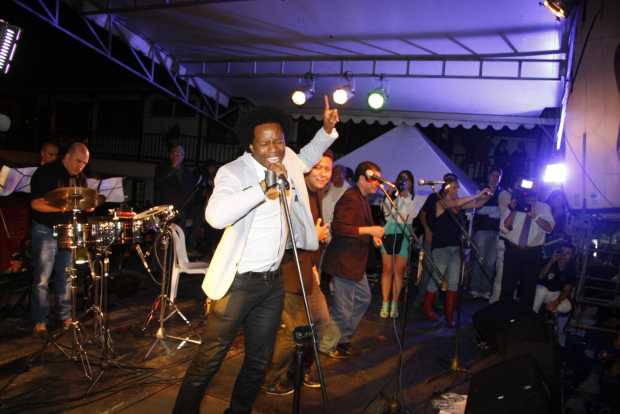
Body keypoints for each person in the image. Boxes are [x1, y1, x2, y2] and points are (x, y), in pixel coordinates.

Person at [172, 97, 339, 414]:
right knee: (210, 359)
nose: (274, 149)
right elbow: (215, 216)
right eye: (265, 143)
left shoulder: (288, 160)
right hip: (237, 283)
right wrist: (262, 188)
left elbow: (307, 156)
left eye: (279, 141)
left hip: (271, 282)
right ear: (251, 145)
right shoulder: (233, 172)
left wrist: (327, 130)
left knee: (259, 360)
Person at [263, 150, 341, 395]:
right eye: (317, 167)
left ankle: (300, 370)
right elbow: (281, 235)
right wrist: (313, 237)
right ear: (305, 168)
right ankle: (270, 380)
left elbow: (312, 240)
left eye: (328, 169)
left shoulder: (315, 195)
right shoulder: (293, 193)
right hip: (289, 276)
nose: (323, 173)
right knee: (293, 334)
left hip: (307, 275)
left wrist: (315, 261)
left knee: (324, 326)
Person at [322, 161, 384, 358]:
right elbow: (339, 228)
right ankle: (327, 345)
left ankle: (343, 338)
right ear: (362, 179)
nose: (378, 184)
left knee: (364, 299)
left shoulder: (362, 198)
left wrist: (372, 235)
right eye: (374, 179)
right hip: (344, 262)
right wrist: (370, 230)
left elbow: (360, 225)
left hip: (355, 263)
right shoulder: (350, 198)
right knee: (343, 309)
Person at [30, 142, 90, 334]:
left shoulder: (80, 178)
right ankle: (40, 320)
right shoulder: (45, 173)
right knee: (42, 278)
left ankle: (65, 317)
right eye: (78, 161)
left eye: (84, 163)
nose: (81, 167)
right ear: (67, 156)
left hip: (67, 231)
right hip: (45, 230)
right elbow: (36, 204)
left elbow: (83, 204)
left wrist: (88, 205)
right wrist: (63, 207)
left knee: (65, 276)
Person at [421, 176, 491, 327]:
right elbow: (458, 203)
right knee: (437, 278)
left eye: (457, 187)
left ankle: (449, 315)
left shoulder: (457, 203)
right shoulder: (440, 201)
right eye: (455, 187)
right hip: (441, 247)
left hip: (455, 247)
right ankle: (427, 308)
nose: (457, 189)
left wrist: (486, 196)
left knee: (454, 282)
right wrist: (478, 194)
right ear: (447, 188)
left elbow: (477, 204)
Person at [499, 183, 555, 309]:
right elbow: (504, 228)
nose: (530, 195)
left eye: (533, 192)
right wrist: (513, 210)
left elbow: (549, 228)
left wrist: (535, 216)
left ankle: (523, 318)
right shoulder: (514, 204)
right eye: (528, 192)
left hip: (532, 253)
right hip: (513, 251)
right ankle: (503, 315)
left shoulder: (544, 207)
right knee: (507, 286)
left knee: (528, 289)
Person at [379, 170, 423, 319]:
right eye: (402, 179)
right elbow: (386, 215)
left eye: (407, 180)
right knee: (387, 270)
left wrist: (405, 198)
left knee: (399, 271)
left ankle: (394, 304)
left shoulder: (414, 198)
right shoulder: (392, 196)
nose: (404, 182)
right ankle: (385, 303)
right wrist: (391, 196)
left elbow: (413, 215)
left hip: (404, 233)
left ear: (411, 183)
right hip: (389, 230)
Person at [469, 166, 503, 300]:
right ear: (488, 176)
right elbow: (478, 209)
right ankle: (474, 288)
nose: (495, 178)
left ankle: (485, 289)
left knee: (491, 262)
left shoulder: (502, 192)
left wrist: (493, 212)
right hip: (482, 230)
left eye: (497, 176)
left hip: (496, 232)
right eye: (493, 175)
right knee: (480, 259)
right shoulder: (482, 190)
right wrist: (494, 211)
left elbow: (504, 212)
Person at [533, 243, 576, 347]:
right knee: (542, 290)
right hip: (540, 291)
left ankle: (558, 329)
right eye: (562, 252)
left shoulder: (571, 269)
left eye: (568, 253)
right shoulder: (550, 261)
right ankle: (532, 319)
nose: (564, 255)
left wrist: (556, 302)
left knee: (567, 307)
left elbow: (567, 290)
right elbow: (540, 277)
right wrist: (551, 262)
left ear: (571, 256)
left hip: (555, 294)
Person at [154, 144, 198, 236]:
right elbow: (158, 183)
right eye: (174, 153)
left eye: (179, 154)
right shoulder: (162, 169)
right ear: (170, 155)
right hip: (165, 210)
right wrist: (172, 169)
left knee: (179, 237)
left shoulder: (188, 173)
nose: (176, 156)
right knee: (164, 236)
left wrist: (190, 215)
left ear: (183, 156)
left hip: (181, 211)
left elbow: (191, 194)